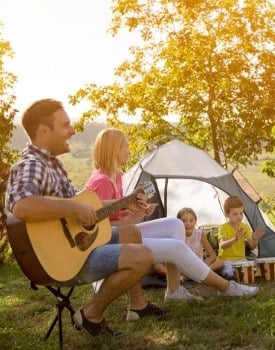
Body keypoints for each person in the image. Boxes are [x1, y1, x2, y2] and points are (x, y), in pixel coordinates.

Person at [5, 99, 163, 338]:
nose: (73, 131)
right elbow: (22, 207)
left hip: (76, 245)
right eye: (66, 125)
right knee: (143, 256)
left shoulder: (53, 164)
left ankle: (138, 306)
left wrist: (124, 203)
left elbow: (84, 207)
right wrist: (72, 208)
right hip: (60, 260)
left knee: (132, 232)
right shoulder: (32, 164)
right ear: (43, 130)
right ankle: (91, 313)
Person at [85, 128, 260, 299]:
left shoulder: (115, 176)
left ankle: (174, 290)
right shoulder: (102, 182)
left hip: (124, 233)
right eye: (125, 146)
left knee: (175, 224)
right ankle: (227, 287)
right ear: (113, 150)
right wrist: (131, 218)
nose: (128, 151)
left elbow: (120, 218)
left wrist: (138, 214)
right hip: (109, 243)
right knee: (176, 247)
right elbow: (100, 230)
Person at [217, 195, 266, 278]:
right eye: (235, 214)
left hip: (241, 260)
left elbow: (252, 246)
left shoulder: (245, 227)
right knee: (230, 271)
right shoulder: (223, 227)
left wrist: (255, 239)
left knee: (252, 268)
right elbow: (223, 245)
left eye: (241, 213)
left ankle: (238, 273)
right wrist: (235, 239)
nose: (239, 216)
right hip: (226, 260)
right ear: (226, 214)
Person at [177, 207, 224, 276]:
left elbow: (212, 255)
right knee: (158, 266)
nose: (188, 224)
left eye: (191, 220)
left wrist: (203, 266)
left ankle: (194, 275)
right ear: (178, 222)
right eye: (184, 221)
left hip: (200, 265)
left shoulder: (200, 233)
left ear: (195, 221)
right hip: (184, 268)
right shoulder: (177, 235)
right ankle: (198, 274)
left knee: (220, 262)